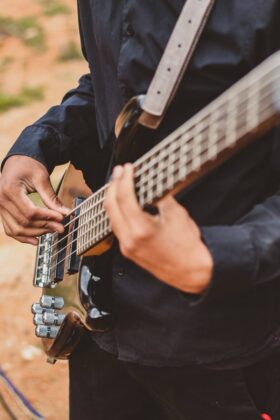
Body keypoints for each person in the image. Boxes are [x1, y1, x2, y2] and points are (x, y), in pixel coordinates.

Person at [0, 1, 280, 419]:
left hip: (224, 348)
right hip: (101, 337)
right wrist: (39, 141)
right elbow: (109, 85)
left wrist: (223, 254)